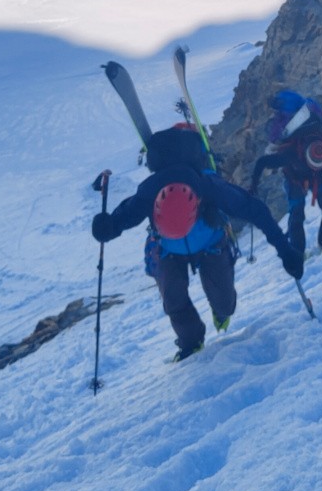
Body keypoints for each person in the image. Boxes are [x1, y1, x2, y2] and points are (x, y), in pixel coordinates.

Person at [92, 122, 305, 361]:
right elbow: (124, 216)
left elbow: (255, 210)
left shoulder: (209, 187)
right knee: (173, 298)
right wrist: (107, 227)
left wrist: (286, 251)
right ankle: (190, 342)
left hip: (208, 242)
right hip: (167, 248)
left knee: (225, 305)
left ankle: (221, 312)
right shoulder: (148, 192)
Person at [251, 90, 322, 258]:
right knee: (320, 212)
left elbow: (262, 162)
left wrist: (254, 184)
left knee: (299, 216)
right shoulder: (301, 148)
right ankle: (318, 246)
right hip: (308, 177)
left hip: (298, 180)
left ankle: (309, 249)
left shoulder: (300, 147)